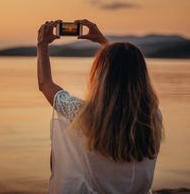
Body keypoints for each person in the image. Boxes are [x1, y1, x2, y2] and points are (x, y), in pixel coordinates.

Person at [37, 19, 163, 194]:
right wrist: (104, 42)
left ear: (101, 74)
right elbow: (125, 69)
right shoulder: (152, 115)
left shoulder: (83, 115)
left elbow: (45, 84)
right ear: (141, 76)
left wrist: (42, 45)